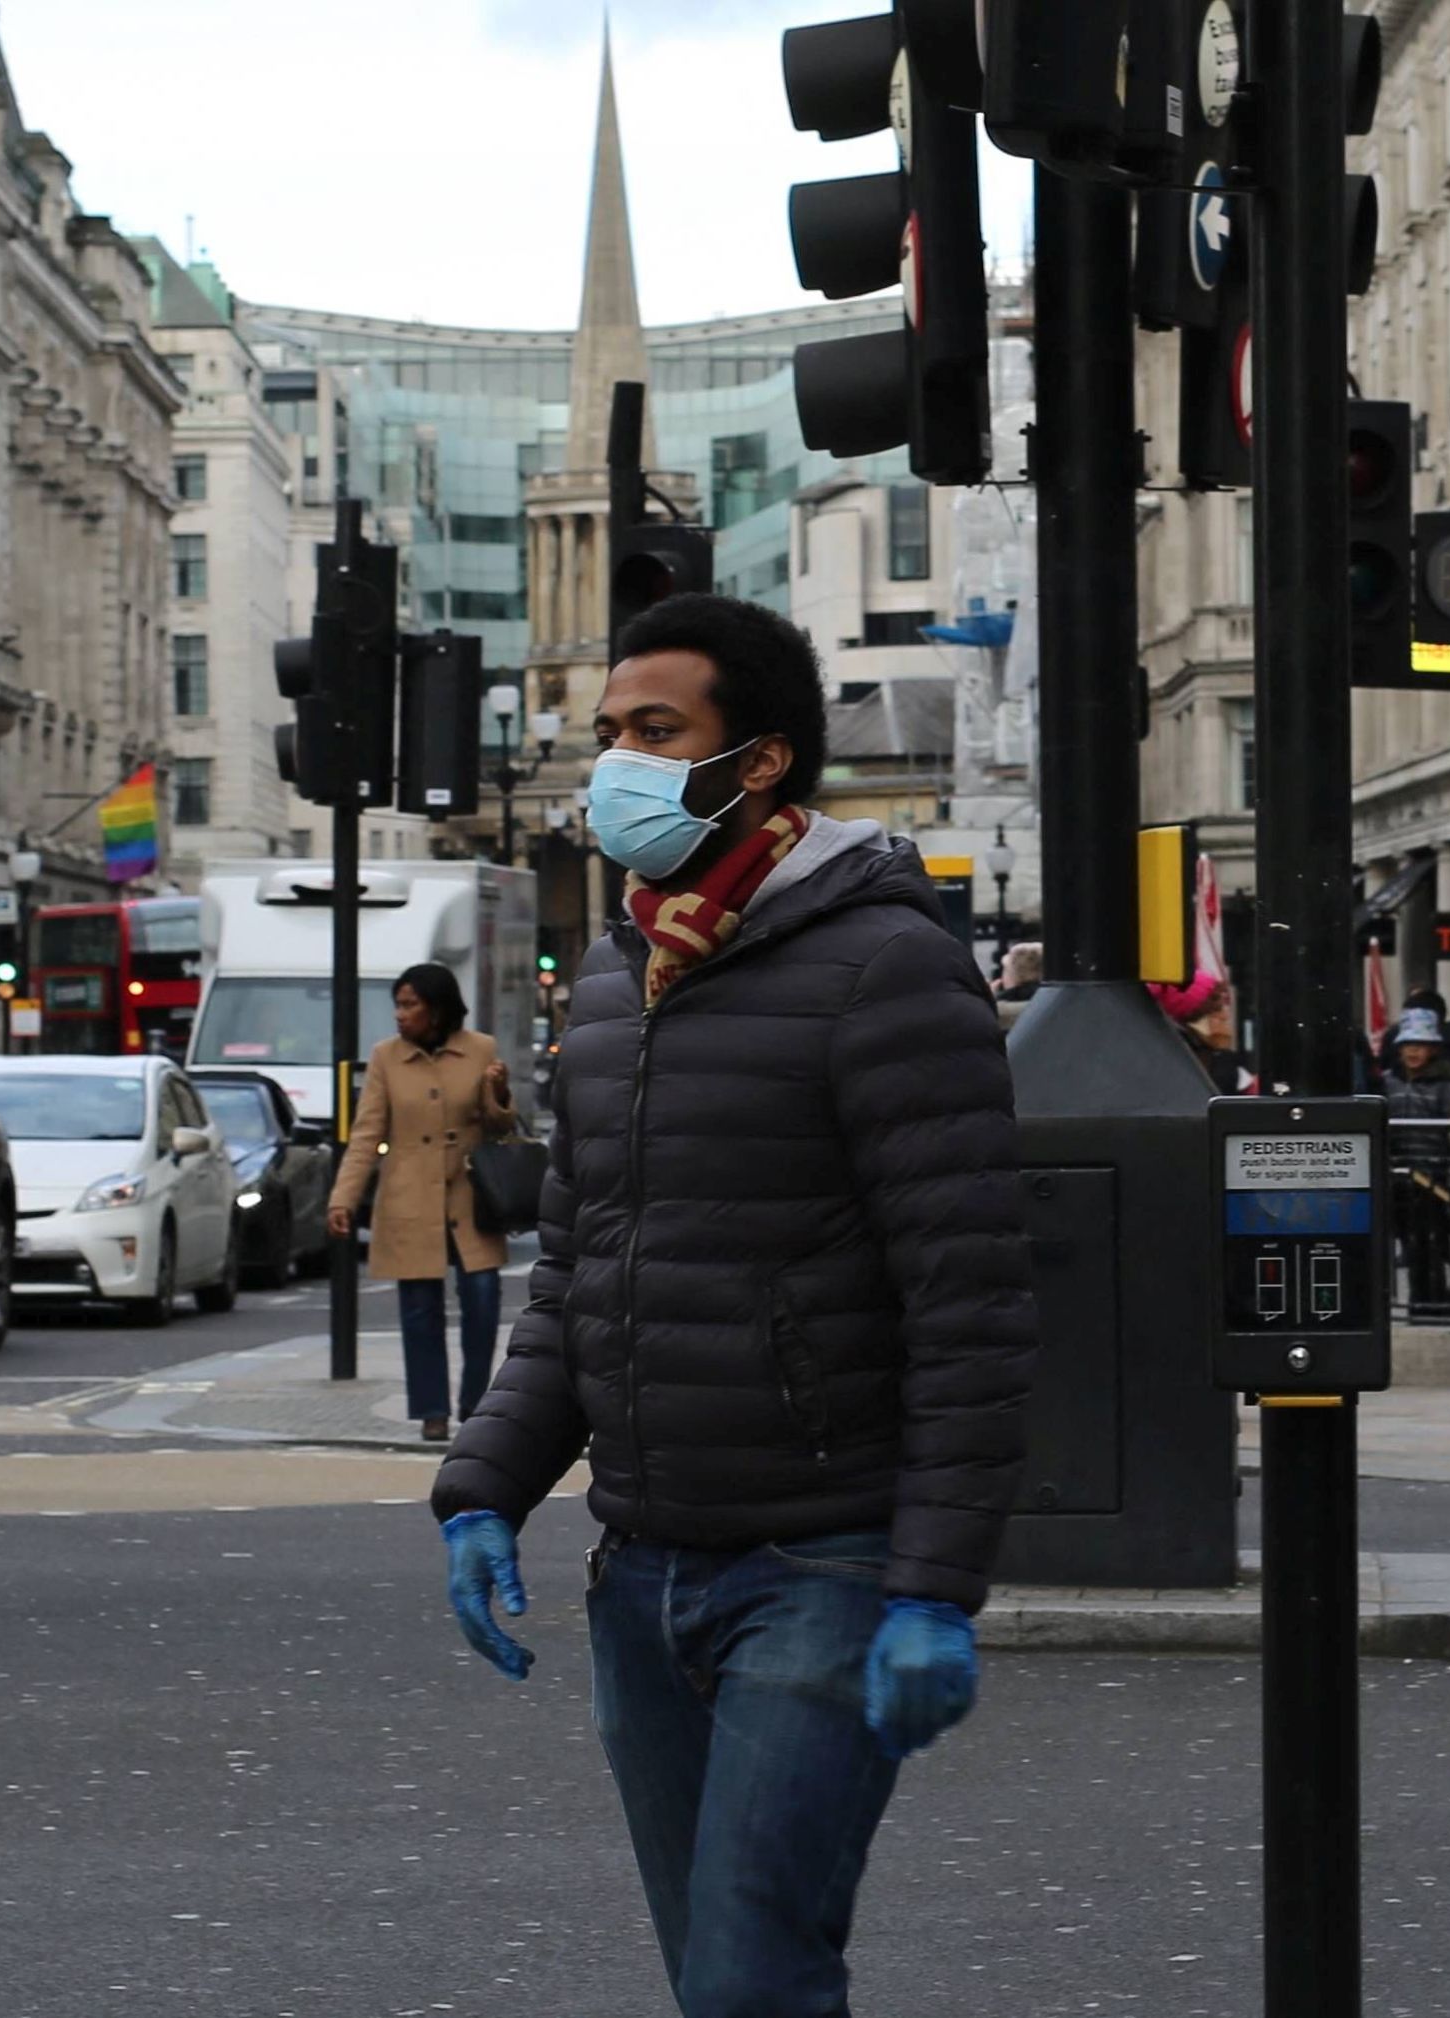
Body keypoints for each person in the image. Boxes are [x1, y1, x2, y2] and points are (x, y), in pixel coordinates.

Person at [429, 592, 1038, 2018]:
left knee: (755, 1973)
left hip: (821, 1565)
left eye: (656, 731)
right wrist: (485, 1485)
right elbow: (578, 1271)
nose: (616, 767)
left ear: (757, 760)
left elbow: (970, 1299)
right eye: (609, 734)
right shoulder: (617, 977)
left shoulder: (885, 963)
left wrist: (934, 1589)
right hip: (642, 1570)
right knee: (717, 1972)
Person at [327, 962, 516, 1443]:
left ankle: (475, 1406)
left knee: (483, 1300)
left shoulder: (481, 1049)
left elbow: (501, 1127)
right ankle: (432, 1411)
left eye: (410, 1005)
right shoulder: (386, 1058)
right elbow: (367, 1134)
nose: (400, 1015)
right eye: (399, 1004)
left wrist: (497, 1092)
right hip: (410, 1198)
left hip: (470, 1198)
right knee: (419, 1311)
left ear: (438, 1007)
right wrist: (343, 1198)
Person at [1383, 1006, 1450, 1317]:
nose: (1413, 1051)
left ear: (1432, 1048)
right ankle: (1421, 1302)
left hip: (1432, 1175)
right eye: (1408, 1045)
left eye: (1420, 1045)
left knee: (1429, 1244)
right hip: (1398, 1175)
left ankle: (1434, 1303)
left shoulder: (1446, 1082)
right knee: (1410, 1243)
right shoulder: (1389, 1081)